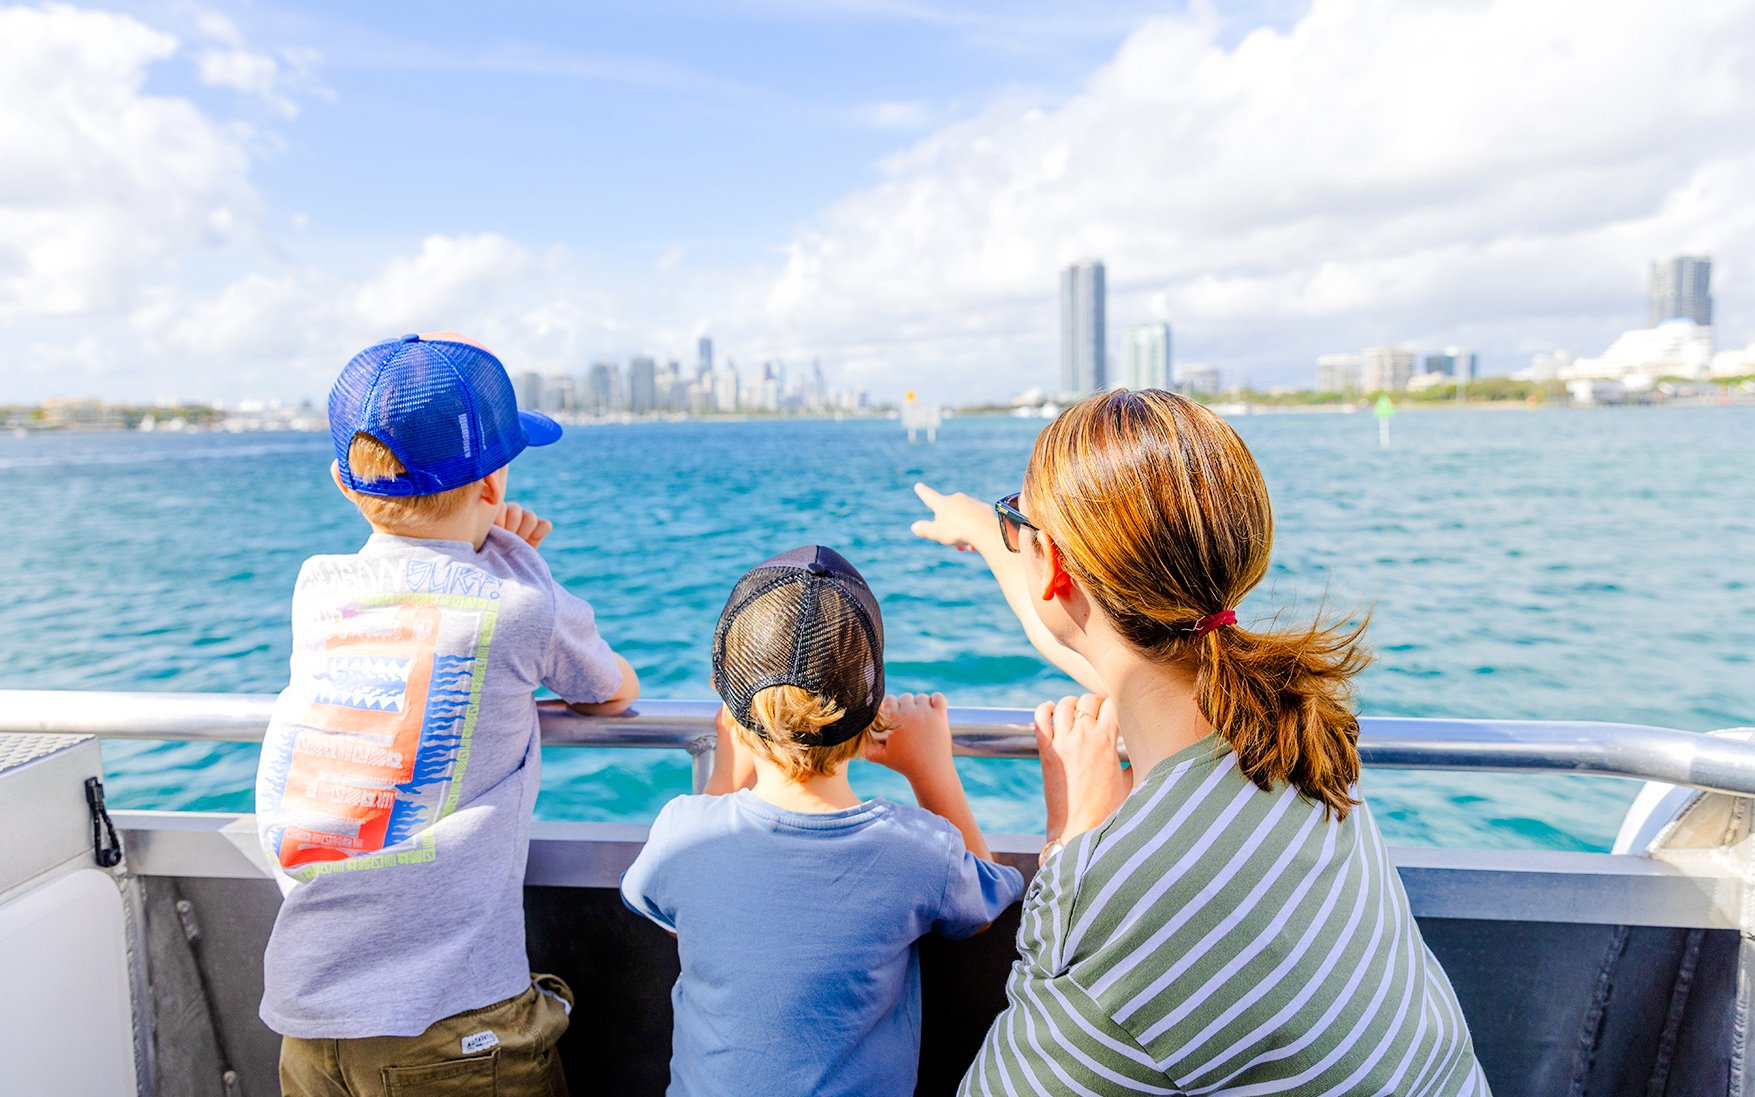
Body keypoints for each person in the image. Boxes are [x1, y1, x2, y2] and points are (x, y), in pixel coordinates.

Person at [910, 389, 1490, 1095]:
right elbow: (1081, 632)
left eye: (1018, 521)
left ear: (1052, 564)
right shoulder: (1297, 722)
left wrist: (1072, 839)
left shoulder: (1112, 901)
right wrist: (986, 527)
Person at [256, 332, 640, 1096]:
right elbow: (611, 688)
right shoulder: (517, 600)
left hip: (311, 1020)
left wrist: (480, 543)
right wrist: (514, 554)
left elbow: (406, 574)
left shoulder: (317, 589)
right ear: (495, 482)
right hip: (454, 1030)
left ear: (342, 480)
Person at [619, 545, 1025, 1097]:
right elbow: (984, 903)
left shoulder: (683, 834)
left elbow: (663, 906)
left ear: (728, 707)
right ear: (874, 706)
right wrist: (932, 769)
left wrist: (724, 777)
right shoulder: (918, 852)